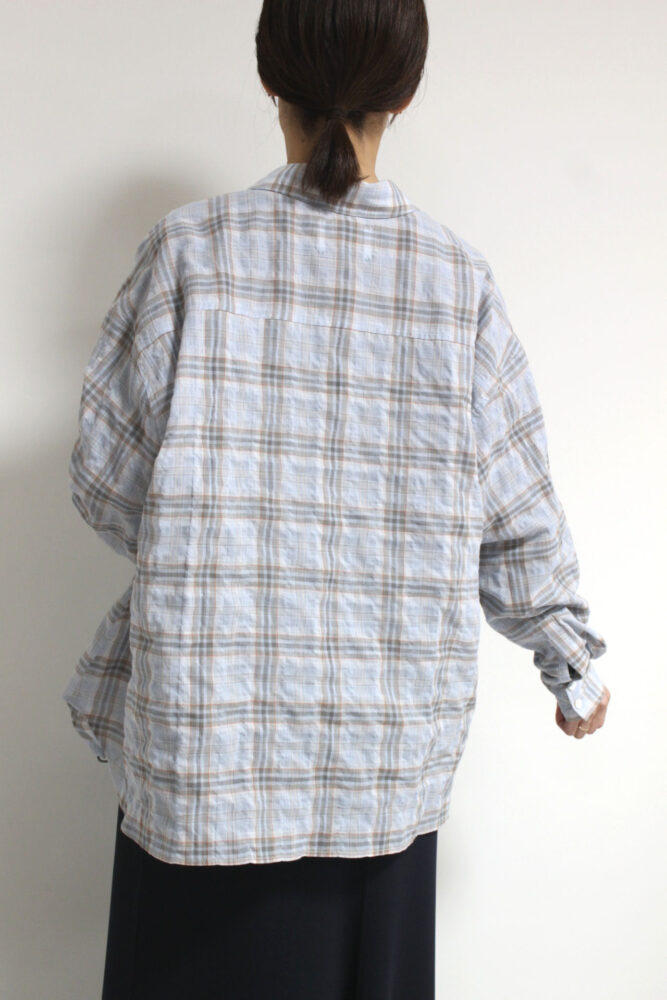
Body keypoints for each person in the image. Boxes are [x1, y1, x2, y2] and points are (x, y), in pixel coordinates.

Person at [62, 1, 610, 997]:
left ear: (271, 80)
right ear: (403, 92)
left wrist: (210, 541)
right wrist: (566, 663)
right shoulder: (454, 284)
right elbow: (514, 514)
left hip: (203, 758)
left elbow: (103, 477)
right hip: (380, 778)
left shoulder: (188, 253)